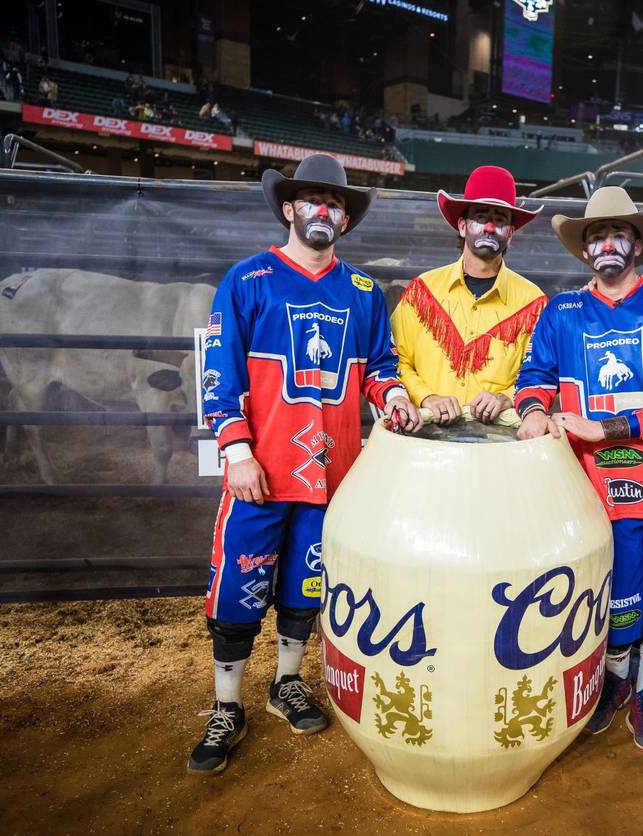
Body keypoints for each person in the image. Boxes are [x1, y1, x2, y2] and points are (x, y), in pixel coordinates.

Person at [189, 154, 421, 775]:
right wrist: (236, 449)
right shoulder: (247, 279)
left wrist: (393, 397)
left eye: (336, 203)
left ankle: (285, 684)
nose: (326, 211)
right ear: (289, 209)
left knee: (306, 589)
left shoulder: (365, 292)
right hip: (260, 475)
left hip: (333, 478)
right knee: (240, 587)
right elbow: (218, 374)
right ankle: (226, 704)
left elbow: (381, 369)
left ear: (345, 218)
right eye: (313, 200)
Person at [515, 186, 643, 753]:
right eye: (596, 235)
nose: (606, 243)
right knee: (615, 598)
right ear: (584, 250)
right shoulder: (562, 312)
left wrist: (608, 429)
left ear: (637, 244)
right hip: (596, 493)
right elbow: (533, 378)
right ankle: (616, 683)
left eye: (617, 233)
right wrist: (531, 412)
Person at [391, 166, 545, 425]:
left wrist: (505, 397)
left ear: (511, 233)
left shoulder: (534, 303)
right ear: (462, 226)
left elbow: (541, 375)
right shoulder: (421, 292)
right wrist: (427, 397)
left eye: (500, 220)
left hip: (500, 446)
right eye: (480, 216)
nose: (489, 227)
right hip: (426, 442)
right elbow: (395, 360)